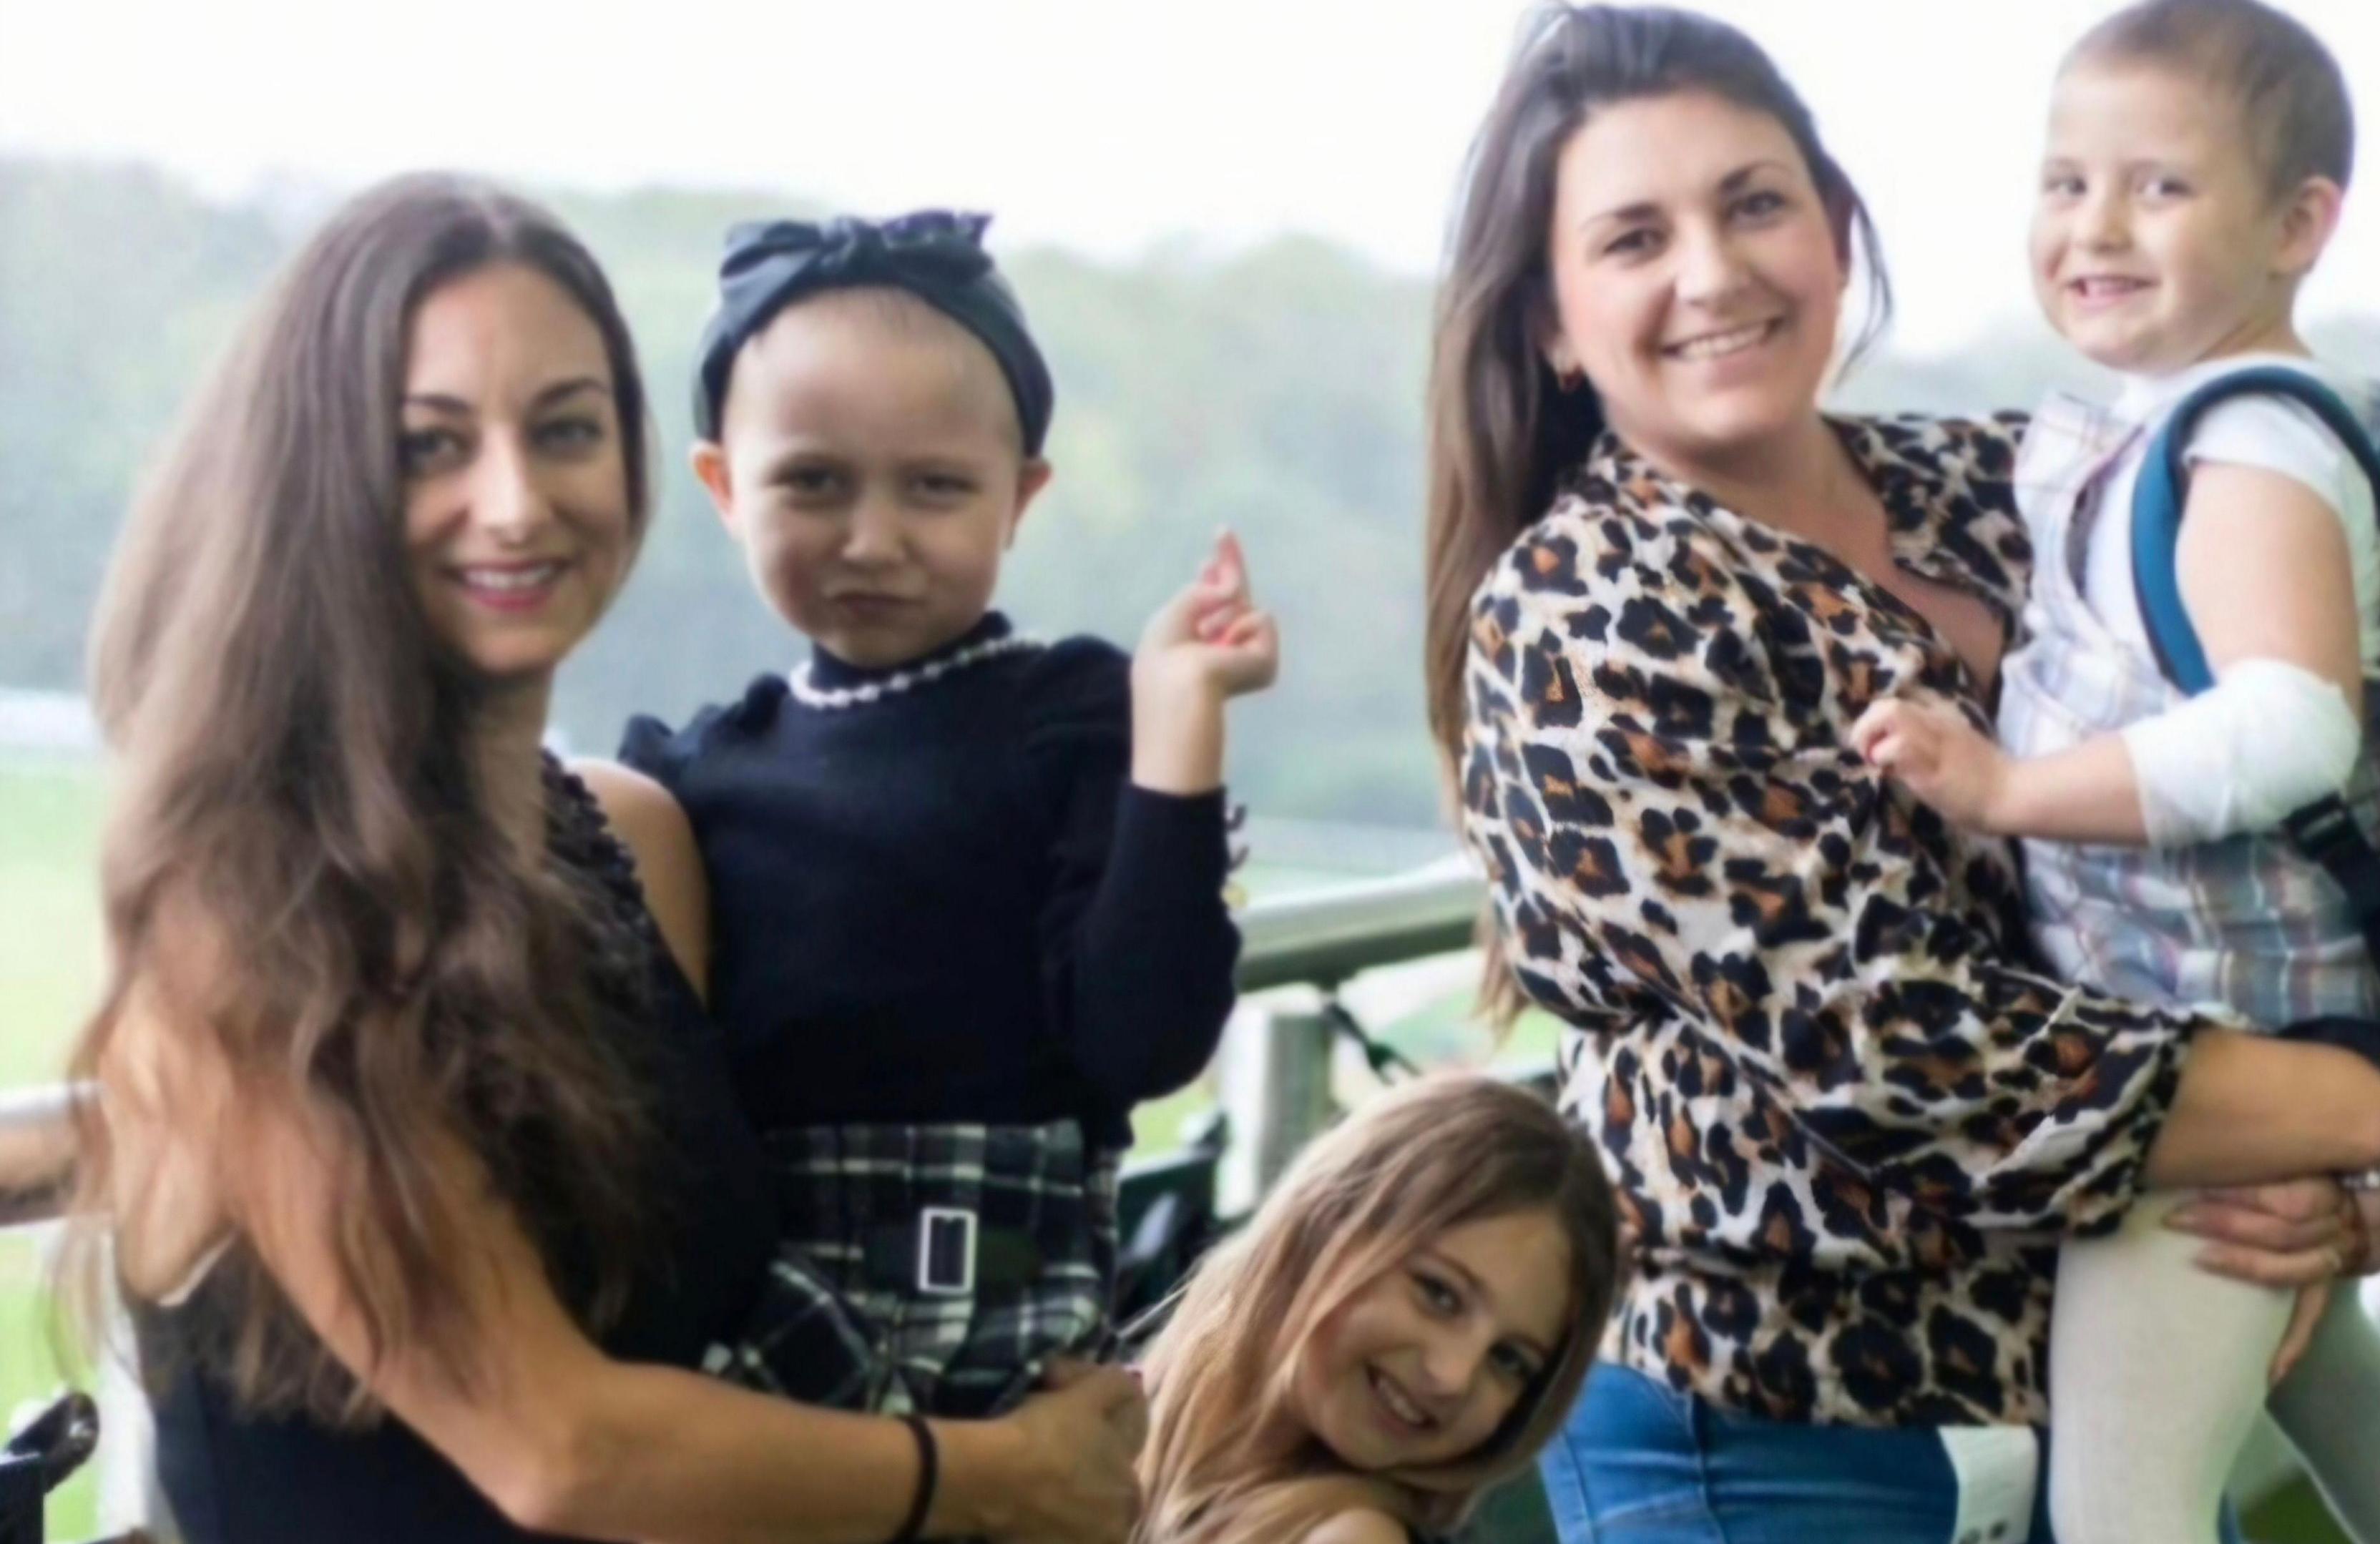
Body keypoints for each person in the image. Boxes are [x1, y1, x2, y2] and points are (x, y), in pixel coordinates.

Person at [1424, 9, 2380, 1539]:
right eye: (1635, 236)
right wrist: (2362, 1102)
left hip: (2117, 1349)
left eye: (1756, 203)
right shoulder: (1587, 613)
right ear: (1557, 322)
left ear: (1835, 231)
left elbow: (2303, 788)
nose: (1715, 271)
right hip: (1777, 1420)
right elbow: (1902, 1052)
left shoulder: (2015, 478)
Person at [64, 173, 1142, 1544]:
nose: (516, 503)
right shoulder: (247, 913)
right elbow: (556, 1444)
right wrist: (996, 1474)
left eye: (565, 428)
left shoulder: (638, 838)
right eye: (431, 445)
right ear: (316, 479)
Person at [1848, 4, 2380, 1538]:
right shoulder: (2182, 424)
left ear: (2298, 223)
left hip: (2221, 1036)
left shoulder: (2254, 440)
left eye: (2159, 187)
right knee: (2340, 1382)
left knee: (2126, 1504)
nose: (2095, 225)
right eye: (2064, 182)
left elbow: (2288, 724)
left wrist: (2002, 791)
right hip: (2225, 1006)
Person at [620, 210, 1274, 1417]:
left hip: (1001, 1322)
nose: (874, 538)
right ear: (722, 484)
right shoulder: (694, 771)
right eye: (812, 481)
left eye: (936, 487)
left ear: (1018, 497)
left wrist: (1179, 714)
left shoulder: (1068, 715)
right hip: (757, 1322)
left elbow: (1146, 1038)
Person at [1135, 1074, 1620, 1544]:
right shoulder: (1137, 1413)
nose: (1453, 1375)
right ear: (1330, 1219)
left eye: (1509, 1360)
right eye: (1440, 1293)